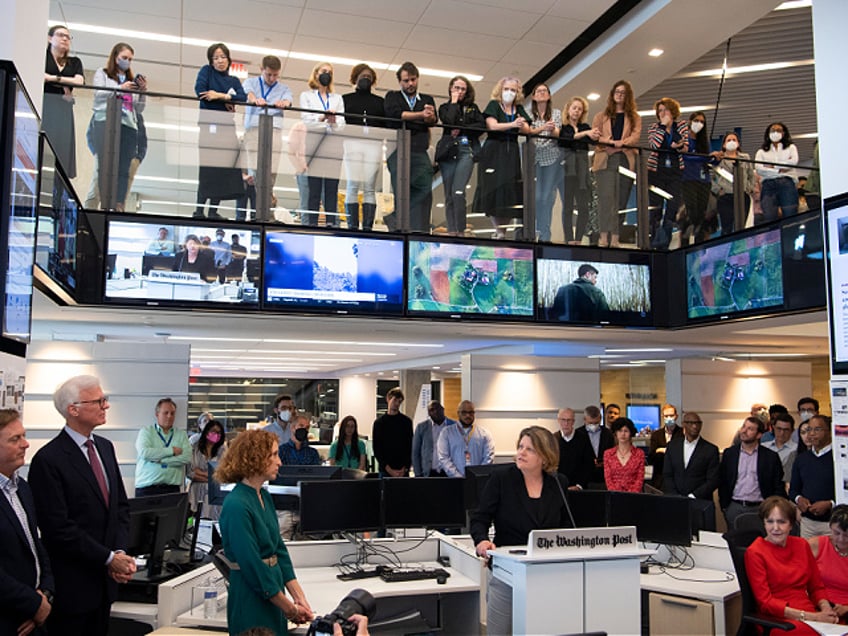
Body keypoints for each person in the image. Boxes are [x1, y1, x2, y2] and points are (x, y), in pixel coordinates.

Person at [28, 375, 136, 635]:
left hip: (106, 585)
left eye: (104, 399)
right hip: (73, 587)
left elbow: (120, 508)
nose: (105, 406)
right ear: (73, 409)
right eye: (98, 401)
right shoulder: (49, 460)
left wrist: (119, 553)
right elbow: (58, 528)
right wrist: (109, 558)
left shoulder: (105, 448)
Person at [470, 426, 572, 635]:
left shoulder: (558, 483)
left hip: (546, 574)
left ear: (545, 456)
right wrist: (482, 542)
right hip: (507, 573)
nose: (521, 453)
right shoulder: (501, 479)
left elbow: (566, 528)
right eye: (520, 447)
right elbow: (480, 518)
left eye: (530, 449)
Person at [216, 429, 313, 635]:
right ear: (255, 458)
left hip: (274, 592)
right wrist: (289, 608)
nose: (280, 462)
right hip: (252, 595)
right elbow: (252, 565)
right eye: (274, 455)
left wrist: (298, 597)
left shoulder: (264, 496)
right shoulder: (236, 505)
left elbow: (279, 550)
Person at [745, 496, 838, 633]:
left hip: (809, 611)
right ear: (764, 524)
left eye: (781, 522)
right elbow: (765, 603)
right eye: (770, 522)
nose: (775, 528)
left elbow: (816, 587)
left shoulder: (801, 545)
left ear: (791, 524)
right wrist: (813, 617)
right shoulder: (755, 552)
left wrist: (826, 610)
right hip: (778, 619)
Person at [0, 409, 54, 636]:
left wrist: (46, 594)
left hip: (32, 617)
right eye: (15, 439)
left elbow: (36, 546)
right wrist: (33, 604)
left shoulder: (22, 487)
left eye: (24, 436)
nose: (26, 444)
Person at [91, 42, 147, 212]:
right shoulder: (103, 73)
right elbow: (98, 94)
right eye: (124, 58)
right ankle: (105, 201)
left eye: (130, 59)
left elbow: (138, 108)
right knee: (105, 164)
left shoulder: (131, 81)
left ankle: (119, 203)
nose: (127, 62)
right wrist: (120, 88)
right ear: (115, 57)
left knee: (124, 167)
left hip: (129, 125)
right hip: (107, 122)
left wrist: (142, 91)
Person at [473, 76, 531, 239]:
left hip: (511, 152)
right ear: (500, 90)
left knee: (509, 190)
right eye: (507, 89)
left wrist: (521, 123)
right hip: (494, 151)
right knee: (494, 188)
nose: (509, 92)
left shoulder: (518, 108)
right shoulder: (494, 105)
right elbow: (492, 125)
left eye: (513, 90)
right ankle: (497, 229)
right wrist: (513, 125)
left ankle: (503, 231)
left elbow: (526, 129)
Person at [194, 43, 247, 220]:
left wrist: (220, 96)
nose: (220, 61)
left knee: (224, 168)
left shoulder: (233, 80)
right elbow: (201, 92)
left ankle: (213, 211)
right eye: (215, 57)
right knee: (208, 168)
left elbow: (243, 97)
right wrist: (224, 101)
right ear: (211, 61)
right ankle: (199, 210)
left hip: (227, 128)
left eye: (223, 57)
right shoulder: (206, 72)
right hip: (209, 126)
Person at [384, 61, 438, 233]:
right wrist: (421, 115)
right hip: (398, 150)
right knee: (401, 189)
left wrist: (428, 117)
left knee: (424, 187)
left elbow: (432, 121)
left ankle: (403, 221)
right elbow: (396, 115)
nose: (410, 84)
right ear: (400, 81)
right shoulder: (392, 96)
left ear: (417, 79)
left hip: (419, 149)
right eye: (406, 81)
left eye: (413, 80)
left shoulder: (427, 99)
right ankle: (401, 226)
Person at [591, 80, 641, 248]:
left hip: (625, 159)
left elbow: (635, 136)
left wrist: (621, 143)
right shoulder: (601, 116)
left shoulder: (634, 117)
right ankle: (603, 237)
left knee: (620, 201)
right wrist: (608, 142)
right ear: (612, 94)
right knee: (606, 200)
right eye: (617, 91)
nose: (619, 94)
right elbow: (595, 136)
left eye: (623, 92)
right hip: (605, 160)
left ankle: (615, 238)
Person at [242, 55, 293, 217]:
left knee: (271, 174)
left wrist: (284, 103)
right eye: (269, 74)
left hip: (274, 132)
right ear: (261, 69)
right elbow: (248, 93)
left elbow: (288, 101)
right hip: (254, 130)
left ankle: (266, 211)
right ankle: (263, 211)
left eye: (275, 75)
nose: (272, 78)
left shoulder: (284, 88)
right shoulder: (251, 82)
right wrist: (255, 100)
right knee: (258, 174)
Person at [436, 75, 484, 236]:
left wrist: (461, 127)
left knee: (458, 191)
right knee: (449, 194)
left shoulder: (473, 108)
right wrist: (454, 103)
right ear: (451, 89)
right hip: (449, 151)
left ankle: (461, 230)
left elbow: (480, 126)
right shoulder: (444, 107)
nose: (460, 91)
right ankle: (452, 231)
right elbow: (448, 120)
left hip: (465, 149)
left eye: (463, 89)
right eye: (457, 88)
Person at [300, 62, 345, 227]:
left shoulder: (337, 98)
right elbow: (307, 122)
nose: (327, 74)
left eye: (330, 72)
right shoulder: (306, 96)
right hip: (314, 144)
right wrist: (322, 118)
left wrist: (332, 121)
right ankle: (312, 224)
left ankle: (331, 223)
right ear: (316, 73)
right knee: (314, 188)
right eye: (323, 71)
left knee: (332, 188)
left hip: (333, 144)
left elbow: (342, 124)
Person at [718, 416, 785, 529]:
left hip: (760, 507)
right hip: (735, 506)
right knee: (735, 543)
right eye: (744, 426)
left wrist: (772, 508)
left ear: (759, 435)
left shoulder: (770, 457)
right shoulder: (730, 453)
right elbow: (722, 481)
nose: (744, 431)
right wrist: (725, 506)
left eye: (750, 429)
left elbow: (778, 484)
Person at [341, 63, 385, 231]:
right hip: (352, 143)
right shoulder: (346, 99)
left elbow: (385, 125)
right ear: (355, 78)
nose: (366, 79)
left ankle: (367, 226)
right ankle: (352, 226)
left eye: (369, 76)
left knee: (369, 187)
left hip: (373, 144)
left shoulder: (380, 102)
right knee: (353, 184)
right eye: (362, 76)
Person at [662, 411, 720, 530]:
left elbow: (713, 480)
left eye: (698, 423)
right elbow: (667, 474)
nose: (695, 426)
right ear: (684, 424)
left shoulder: (710, 449)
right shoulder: (673, 446)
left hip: (700, 504)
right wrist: (675, 496)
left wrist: (692, 496)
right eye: (691, 423)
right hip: (675, 503)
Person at [43, 25, 84, 180]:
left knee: (61, 149)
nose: (65, 39)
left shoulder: (74, 62)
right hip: (46, 105)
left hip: (63, 109)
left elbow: (79, 81)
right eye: (61, 35)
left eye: (68, 37)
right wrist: (65, 83)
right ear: (49, 38)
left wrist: (52, 78)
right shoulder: (42, 56)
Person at [646, 97, 687, 249]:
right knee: (655, 208)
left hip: (675, 172)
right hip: (657, 172)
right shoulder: (653, 127)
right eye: (660, 111)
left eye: (666, 110)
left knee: (672, 207)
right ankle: (653, 241)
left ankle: (665, 241)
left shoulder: (681, 126)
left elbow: (684, 146)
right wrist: (663, 128)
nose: (663, 113)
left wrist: (673, 132)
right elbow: (654, 145)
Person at [559, 96, 599, 244]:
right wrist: (585, 134)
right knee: (568, 206)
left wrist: (592, 134)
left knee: (583, 206)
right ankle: (568, 238)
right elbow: (567, 139)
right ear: (568, 109)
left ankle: (579, 238)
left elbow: (594, 140)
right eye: (574, 108)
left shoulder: (584, 127)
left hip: (582, 170)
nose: (577, 111)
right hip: (567, 170)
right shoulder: (563, 127)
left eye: (580, 109)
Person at [135, 397, 191, 496]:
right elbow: (145, 453)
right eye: (166, 413)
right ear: (157, 414)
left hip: (172, 490)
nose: (169, 416)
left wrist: (161, 460)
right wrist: (171, 451)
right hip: (147, 489)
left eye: (172, 413)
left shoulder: (181, 434)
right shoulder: (146, 432)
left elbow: (187, 458)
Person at [790, 415, 835, 538]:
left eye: (817, 429)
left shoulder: (839, 458)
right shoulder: (802, 459)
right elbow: (793, 490)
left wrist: (830, 504)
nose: (812, 434)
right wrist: (799, 499)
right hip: (808, 523)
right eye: (809, 430)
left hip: (833, 524)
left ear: (829, 431)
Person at [277, 414, 321, 540]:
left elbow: (317, 478)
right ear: (292, 427)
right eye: (301, 426)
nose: (304, 430)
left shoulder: (313, 453)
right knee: (283, 542)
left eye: (307, 427)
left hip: (307, 506)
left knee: (308, 543)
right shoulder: (281, 451)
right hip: (285, 505)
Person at [529, 84, 562, 242]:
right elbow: (527, 132)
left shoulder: (556, 113)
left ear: (549, 95)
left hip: (551, 158)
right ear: (534, 96)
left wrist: (549, 129)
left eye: (544, 91)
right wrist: (543, 127)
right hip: (534, 158)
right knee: (535, 196)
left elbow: (557, 133)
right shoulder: (529, 114)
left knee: (546, 196)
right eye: (538, 91)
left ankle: (544, 233)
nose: (541, 93)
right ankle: (535, 229)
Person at [711, 131, 758, 236]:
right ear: (724, 144)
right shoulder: (719, 159)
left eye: (734, 140)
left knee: (741, 227)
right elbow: (713, 177)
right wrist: (718, 190)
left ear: (738, 143)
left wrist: (749, 188)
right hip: (726, 196)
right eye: (729, 140)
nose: (731, 142)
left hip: (742, 195)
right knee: (727, 227)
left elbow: (751, 174)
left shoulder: (745, 157)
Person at [808, 505, 848, 620]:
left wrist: (846, 608)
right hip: (819, 606)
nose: (841, 539)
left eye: (846, 535)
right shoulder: (815, 545)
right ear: (830, 527)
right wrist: (823, 605)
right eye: (836, 533)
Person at [755, 122, 799, 224]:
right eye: (773, 130)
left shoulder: (791, 148)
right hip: (768, 185)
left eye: (778, 130)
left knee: (790, 216)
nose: (775, 133)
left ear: (784, 133)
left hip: (787, 183)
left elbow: (793, 162)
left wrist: (772, 166)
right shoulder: (761, 152)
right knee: (769, 218)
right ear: (768, 133)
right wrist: (779, 170)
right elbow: (759, 169)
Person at [437, 400, 495, 477]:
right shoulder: (446, 433)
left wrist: (478, 475)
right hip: (454, 481)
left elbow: (489, 458)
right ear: (458, 413)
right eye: (464, 412)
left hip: (478, 481)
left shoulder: (485, 434)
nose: (468, 415)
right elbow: (443, 458)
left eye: (471, 412)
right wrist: (457, 476)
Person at [680, 111, 712, 244]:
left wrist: (715, 156)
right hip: (687, 179)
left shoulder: (704, 142)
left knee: (701, 214)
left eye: (702, 122)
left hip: (704, 180)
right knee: (690, 211)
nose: (699, 124)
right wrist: (703, 157)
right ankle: (685, 242)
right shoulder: (683, 139)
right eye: (696, 120)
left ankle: (700, 244)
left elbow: (709, 159)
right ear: (690, 121)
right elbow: (684, 156)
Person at [188, 418, 227, 519]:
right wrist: (212, 476)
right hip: (196, 492)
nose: (216, 434)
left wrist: (201, 472)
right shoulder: (194, 447)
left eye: (219, 432)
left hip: (214, 494)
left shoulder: (222, 449)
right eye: (213, 431)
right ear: (206, 432)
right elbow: (191, 473)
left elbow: (223, 474)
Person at [372, 387, 413, 477]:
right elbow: (377, 449)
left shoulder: (406, 422)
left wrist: (405, 468)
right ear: (388, 399)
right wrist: (389, 470)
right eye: (395, 400)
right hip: (385, 469)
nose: (397, 404)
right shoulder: (379, 423)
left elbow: (409, 446)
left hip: (402, 469)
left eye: (399, 402)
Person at [412, 400, 457, 477]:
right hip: (429, 473)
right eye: (432, 410)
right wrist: (418, 474)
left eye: (437, 408)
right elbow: (415, 453)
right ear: (429, 413)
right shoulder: (421, 427)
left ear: (443, 409)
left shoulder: (455, 426)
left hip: (449, 473)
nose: (435, 411)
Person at [574, 405, 615, 488]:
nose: (593, 425)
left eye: (596, 423)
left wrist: (604, 462)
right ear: (585, 419)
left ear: (600, 418)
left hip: (604, 478)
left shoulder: (608, 434)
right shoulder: (577, 434)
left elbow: (613, 453)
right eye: (590, 423)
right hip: (583, 479)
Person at [554, 407, 592, 490]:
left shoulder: (583, 439)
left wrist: (579, 486)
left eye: (569, 420)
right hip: (558, 489)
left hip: (579, 489)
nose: (566, 423)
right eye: (563, 420)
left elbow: (589, 465)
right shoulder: (553, 440)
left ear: (573, 422)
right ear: (558, 421)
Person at [603, 417, 644, 492]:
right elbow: (608, 479)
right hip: (614, 497)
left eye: (626, 431)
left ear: (631, 433)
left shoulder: (639, 453)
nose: (623, 434)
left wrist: (630, 495)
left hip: (634, 497)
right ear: (615, 433)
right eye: (620, 430)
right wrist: (617, 495)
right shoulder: (608, 454)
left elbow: (639, 479)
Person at [647, 403, 682, 489]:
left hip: (677, 478)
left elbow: (681, 455)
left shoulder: (682, 433)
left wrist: (662, 450)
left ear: (676, 416)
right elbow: (651, 457)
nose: (669, 418)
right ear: (662, 416)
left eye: (671, 415)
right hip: (659, 478)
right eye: (666, 416)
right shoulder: (656, 435)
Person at [762, 412, 797, 489]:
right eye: (779, 429)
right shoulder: (763, 447)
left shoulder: (796, 450)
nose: (782, 433)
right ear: (773, 428)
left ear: (792, 431)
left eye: (786, 430)